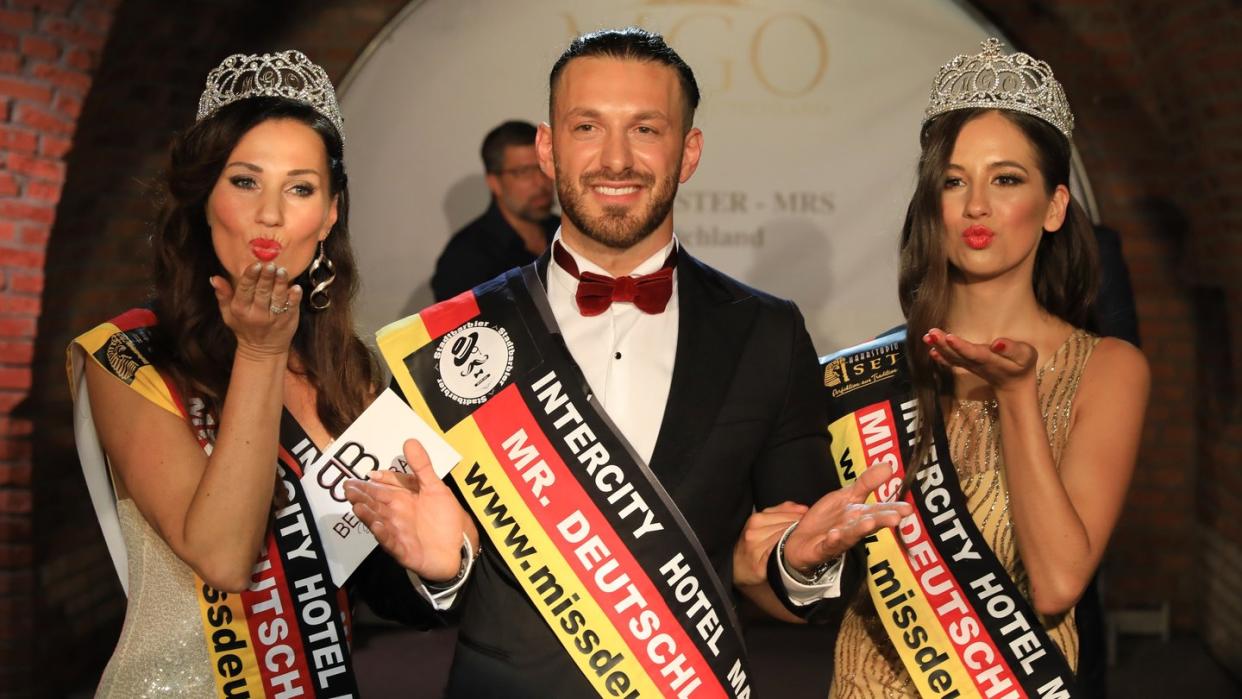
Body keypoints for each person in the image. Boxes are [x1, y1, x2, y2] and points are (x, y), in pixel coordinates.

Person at [345, 28, 910, 698]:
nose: (616, 159)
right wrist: (441, 568)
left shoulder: (767, 331)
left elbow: (810, 568)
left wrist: (796, 561)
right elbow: (367, 566)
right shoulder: (456, 331)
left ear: (689, 151)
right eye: (587, 127)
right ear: (548, 149)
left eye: (646, 129)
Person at [738, 39, 1149, 697]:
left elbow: (1058, 583)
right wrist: (771, 564)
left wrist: (1018, 397)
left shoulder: (1107, 368)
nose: (976, 205)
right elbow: (790, 593)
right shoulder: (864, 377)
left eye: (1006, 179)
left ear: (1054, 207)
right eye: (954, 181)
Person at [67, 51, 461, 697]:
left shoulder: (349, 368)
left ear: (330, 215)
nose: (271, 214)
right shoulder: (128, 357)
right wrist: (259, 353)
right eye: (245, 181)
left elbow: (379, 583)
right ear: (202, 199)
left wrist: (440, 568)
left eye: (300, 187)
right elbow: (224, 557)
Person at [430, 120, 558, 300]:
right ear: (494, 183)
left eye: (543, 166)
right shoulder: (464, 258)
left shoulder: (567, 231)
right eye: (523, 172)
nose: (541, 182)